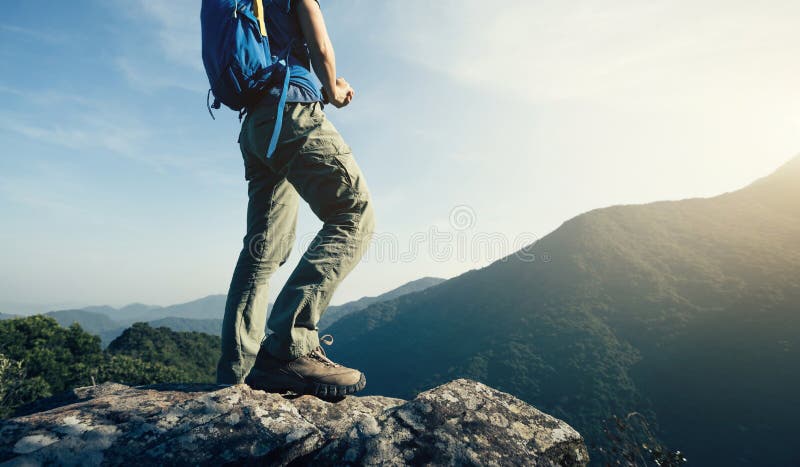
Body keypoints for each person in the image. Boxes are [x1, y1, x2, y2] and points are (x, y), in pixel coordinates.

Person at [216, 0, 374, 397]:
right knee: (353, 213)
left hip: (255, 125)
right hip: (291, 110)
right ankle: (290, 346)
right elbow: (320, 46)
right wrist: (335, 88)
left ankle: (237, 373)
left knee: (263, 248)